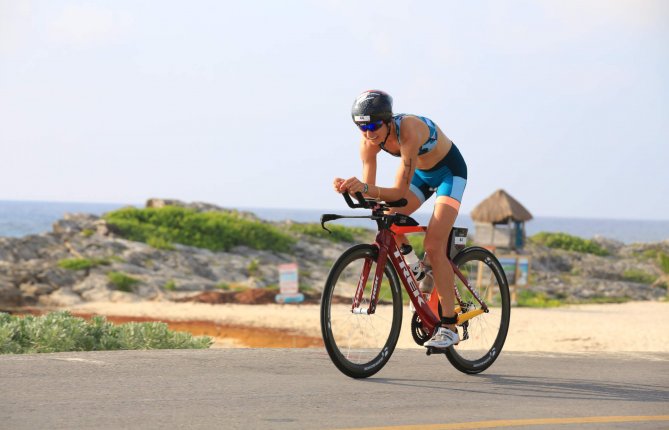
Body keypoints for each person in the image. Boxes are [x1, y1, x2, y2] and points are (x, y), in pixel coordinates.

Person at [333, 89, 468, 349]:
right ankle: (416, 267)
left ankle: (449, 327)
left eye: (373, 125)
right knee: (386, 217)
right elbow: (371, 193)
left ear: (387, 120)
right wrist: (352, 188)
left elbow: (397, 193)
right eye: (362, 127)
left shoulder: (409, 130)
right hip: (421, 175)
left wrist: (364, 188)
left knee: (433, 245)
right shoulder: (367, 142)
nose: (369, 133)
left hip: (450, 174)